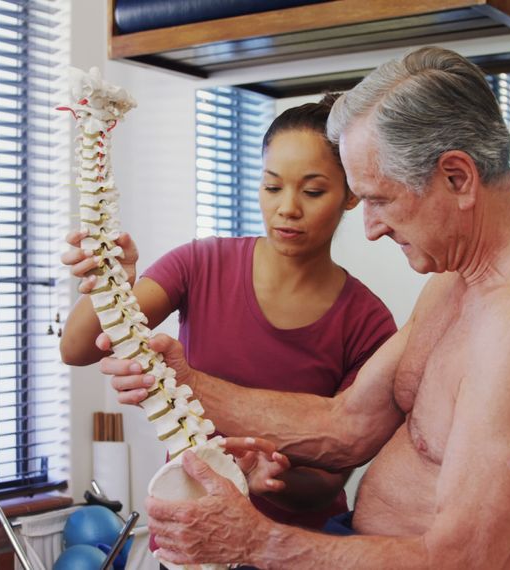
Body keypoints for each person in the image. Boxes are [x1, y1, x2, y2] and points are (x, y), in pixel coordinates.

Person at [100, 46, 510, 569]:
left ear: (457, 178)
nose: (372, 227)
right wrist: (179, 380)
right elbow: (348, 425)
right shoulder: (458, 278)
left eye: (380, 200)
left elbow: (461, 558)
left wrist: (254, 541)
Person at [59, 95, 398, 532]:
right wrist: (113, 283)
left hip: (295, 548)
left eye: (312, 191)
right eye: (272, 186)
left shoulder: (368, 323)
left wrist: (269, 477)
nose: (287, 208)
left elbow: (328, 477)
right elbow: (77, 348)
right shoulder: (200, 265)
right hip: (189, 538)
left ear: (351, 194)